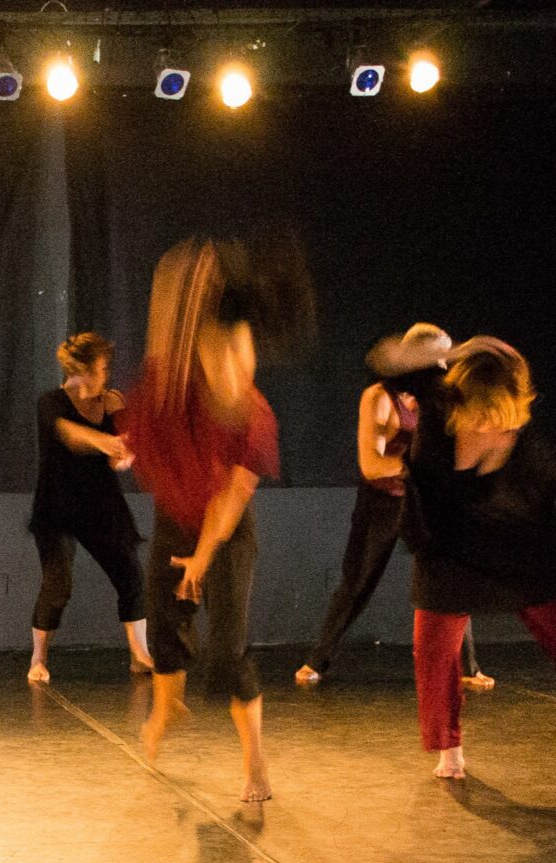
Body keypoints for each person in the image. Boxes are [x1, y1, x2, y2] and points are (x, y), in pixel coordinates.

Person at [120, 238, 282, 802]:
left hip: (225, 530)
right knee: (166, 627)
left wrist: (203, 558)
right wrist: (183, 283)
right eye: (215, 355)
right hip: (177, 514)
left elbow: (232, 499)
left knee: (228, 649)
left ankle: (256, 763)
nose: (228, 369)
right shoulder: (173, 390)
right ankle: (166, 713)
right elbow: (165, 332)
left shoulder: (254, 419)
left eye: (237, 357)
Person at [367, 324, 556, 778]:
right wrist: (456, 352)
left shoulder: (528, 451)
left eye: (500, 420)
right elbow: (385, 359)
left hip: (515, 553)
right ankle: (448, 749)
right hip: (444, 551)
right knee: (433, 652)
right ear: (461, 403)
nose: (490, 426)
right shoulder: (435, 397)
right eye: (479, 415)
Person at [295, 380, 494, 690]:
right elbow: (372, 465)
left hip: (419, 500)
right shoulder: (378, 397)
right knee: (357, 582)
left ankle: (469, 666)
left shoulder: (433, 399)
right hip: (381, 502)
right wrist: (418, 467)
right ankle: (315, 661)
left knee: (449, 574)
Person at [27, 332, 151, 684]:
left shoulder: (112, 402)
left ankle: (140, 655)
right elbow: (70, 435)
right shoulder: (51, 402)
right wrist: (105, 442)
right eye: (100, 369)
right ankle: (38, 657)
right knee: (58, 585)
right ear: (80, 370)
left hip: (101, 504)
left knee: (129, 570)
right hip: (58, 506)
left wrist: (124, 454)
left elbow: (127, 449)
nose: (105, 376)